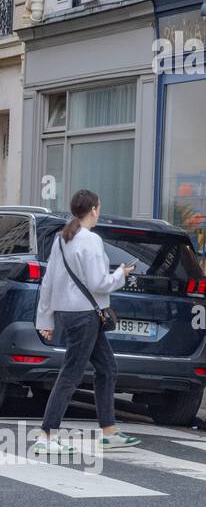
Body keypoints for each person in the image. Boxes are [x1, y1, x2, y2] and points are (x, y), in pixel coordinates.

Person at [32, 189, 142, 456]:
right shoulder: (91, 240)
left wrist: (45, 319)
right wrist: (121, 274)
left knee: (107, 367)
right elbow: (99, 283)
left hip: (71, 315)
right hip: (85, 316)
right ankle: (47, 435)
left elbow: (49, 282)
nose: (99, 211)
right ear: (93, 209)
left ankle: (109, 431)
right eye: (99, 207)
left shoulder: (62, 239)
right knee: (72, 373)